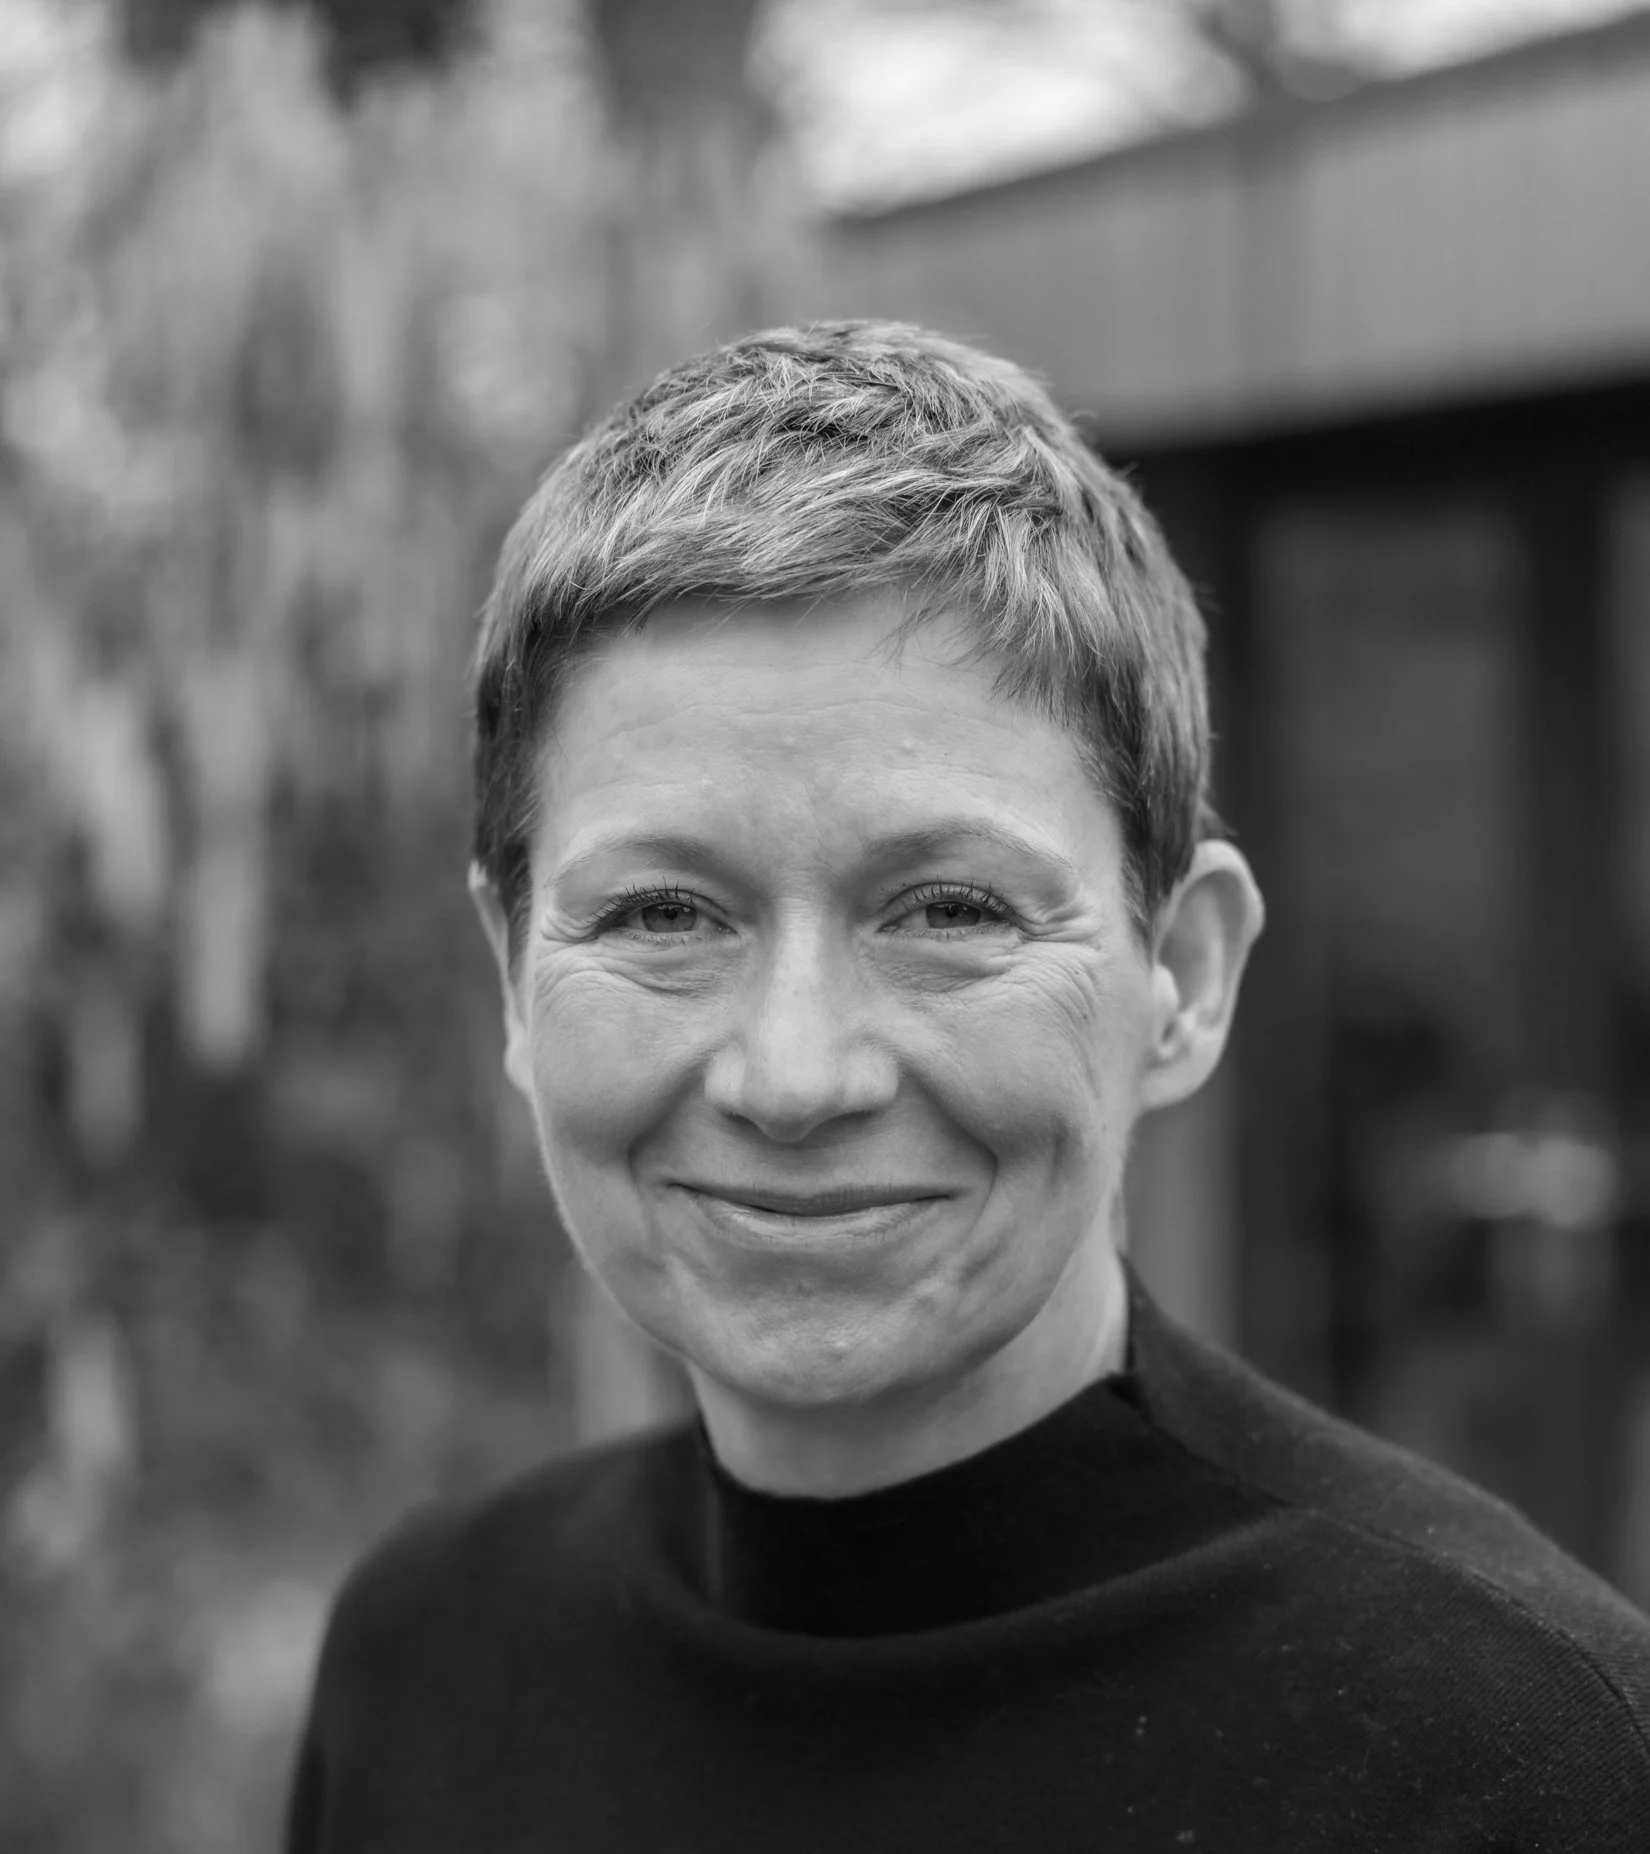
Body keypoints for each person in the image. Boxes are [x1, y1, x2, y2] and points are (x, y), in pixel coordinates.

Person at [285, 321, 1650, 1852]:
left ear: (1181, 976)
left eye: (949, 910)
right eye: (664, 914)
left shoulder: (1521, 1760)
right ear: (510, 971)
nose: (794, 1074)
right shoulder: (426, 1661)